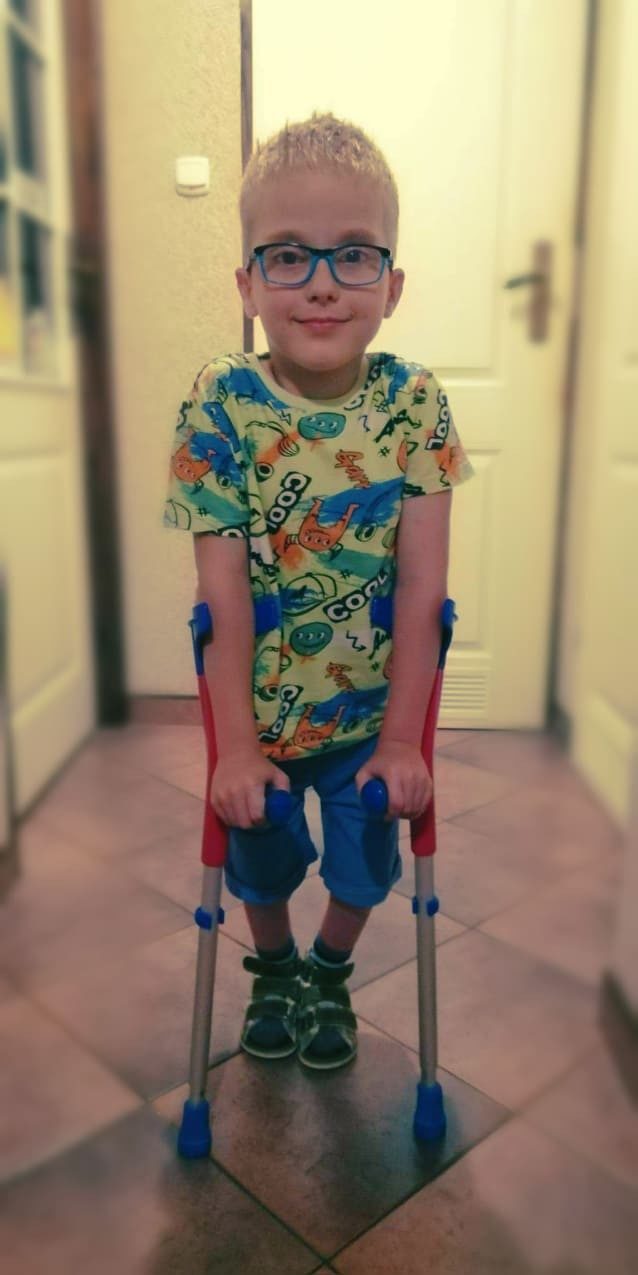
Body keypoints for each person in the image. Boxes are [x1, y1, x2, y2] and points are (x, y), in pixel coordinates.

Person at [164, 111, 474, 1071]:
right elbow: (221, 591)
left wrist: (401, 739)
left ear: (393, 284)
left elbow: (424, 589)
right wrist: (236, 747)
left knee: (366, 860)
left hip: (371, 714)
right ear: (249, 284)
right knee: (253, 847)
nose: (324, 282)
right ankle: (275, 966)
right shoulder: (221, 401)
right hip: (257, 714)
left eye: (355, 254)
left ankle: (329, 968)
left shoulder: (414, 404)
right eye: (290, 255)